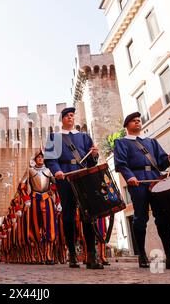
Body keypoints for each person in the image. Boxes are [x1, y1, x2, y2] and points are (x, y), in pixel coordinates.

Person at [113, 112, 170, 270]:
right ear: (127, 125)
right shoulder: (121, 142)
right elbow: (120, 163)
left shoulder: (152, 142)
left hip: (155, 179)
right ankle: (141, 255)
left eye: (139, 121)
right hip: (138, 181)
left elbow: (161, 163)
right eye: (134, 121)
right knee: (140, 218)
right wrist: (130, 177)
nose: (138, 123)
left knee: (163, 218)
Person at [45, 107, 104, 269]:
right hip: (65, 177)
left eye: (73, 115)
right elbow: (50, 159)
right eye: (68, 116)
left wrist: (94, 155)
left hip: (83, 178)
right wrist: (57, 171)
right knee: (69, 216)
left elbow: (91, 163)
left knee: (88, 215)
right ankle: (71, 253)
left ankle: (91, 255)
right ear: (62, 119)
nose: (71, 118)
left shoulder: (84, 137)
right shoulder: (54, 137)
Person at [21, 149, 58, 265]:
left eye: (42, 157)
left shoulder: (49, 170)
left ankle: (48, 255)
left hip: (47, 199)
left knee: (50, 227)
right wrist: (26, 199)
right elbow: (22, 186)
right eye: (38, 157)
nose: (40, 159)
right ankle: (39, 255)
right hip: (34, 199)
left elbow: (57, 184)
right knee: (35, 228)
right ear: (35, 159)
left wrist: (58, 201)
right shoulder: (30, 171)